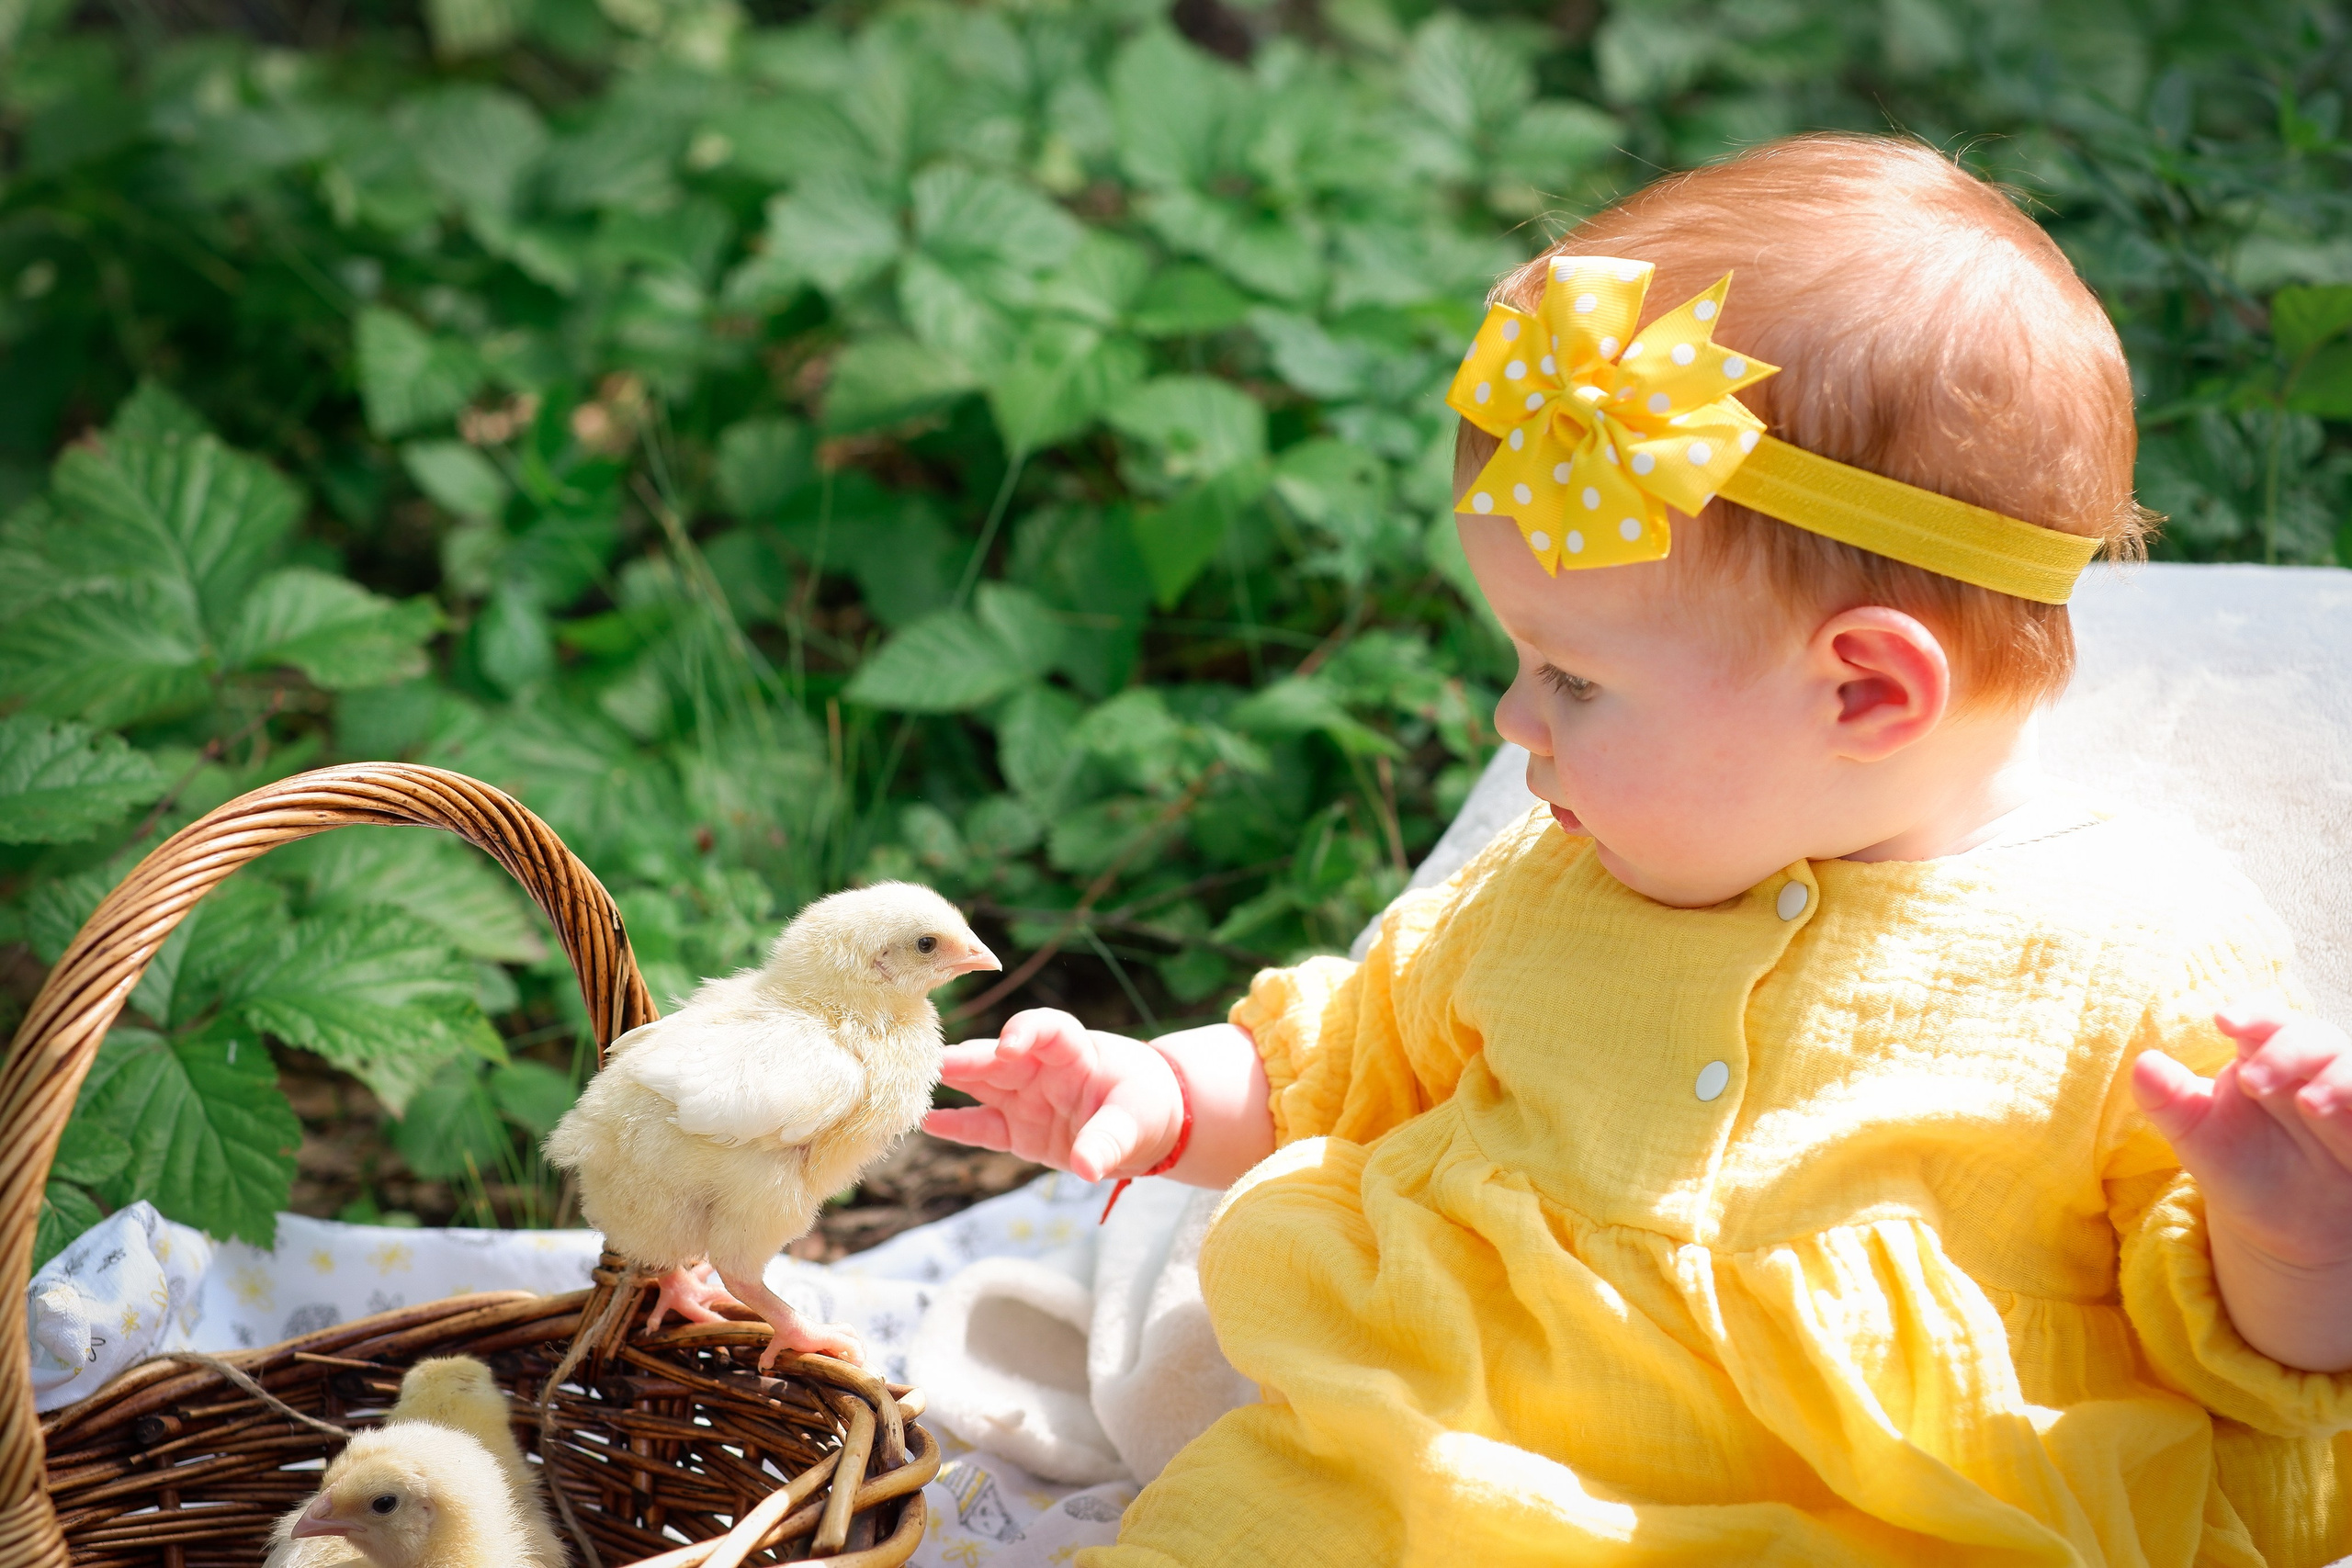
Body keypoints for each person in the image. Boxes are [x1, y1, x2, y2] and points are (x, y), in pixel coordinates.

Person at [926, 135, 2352, 1565]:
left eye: (1573, 679)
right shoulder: (1547, 888)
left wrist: (2295, 1238)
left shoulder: (2137, 961)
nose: (1511, 719)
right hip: (1400, 1480)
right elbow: (1334, 1074)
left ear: (1864, 690)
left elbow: (2256, 1370)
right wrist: (1157, 1091)